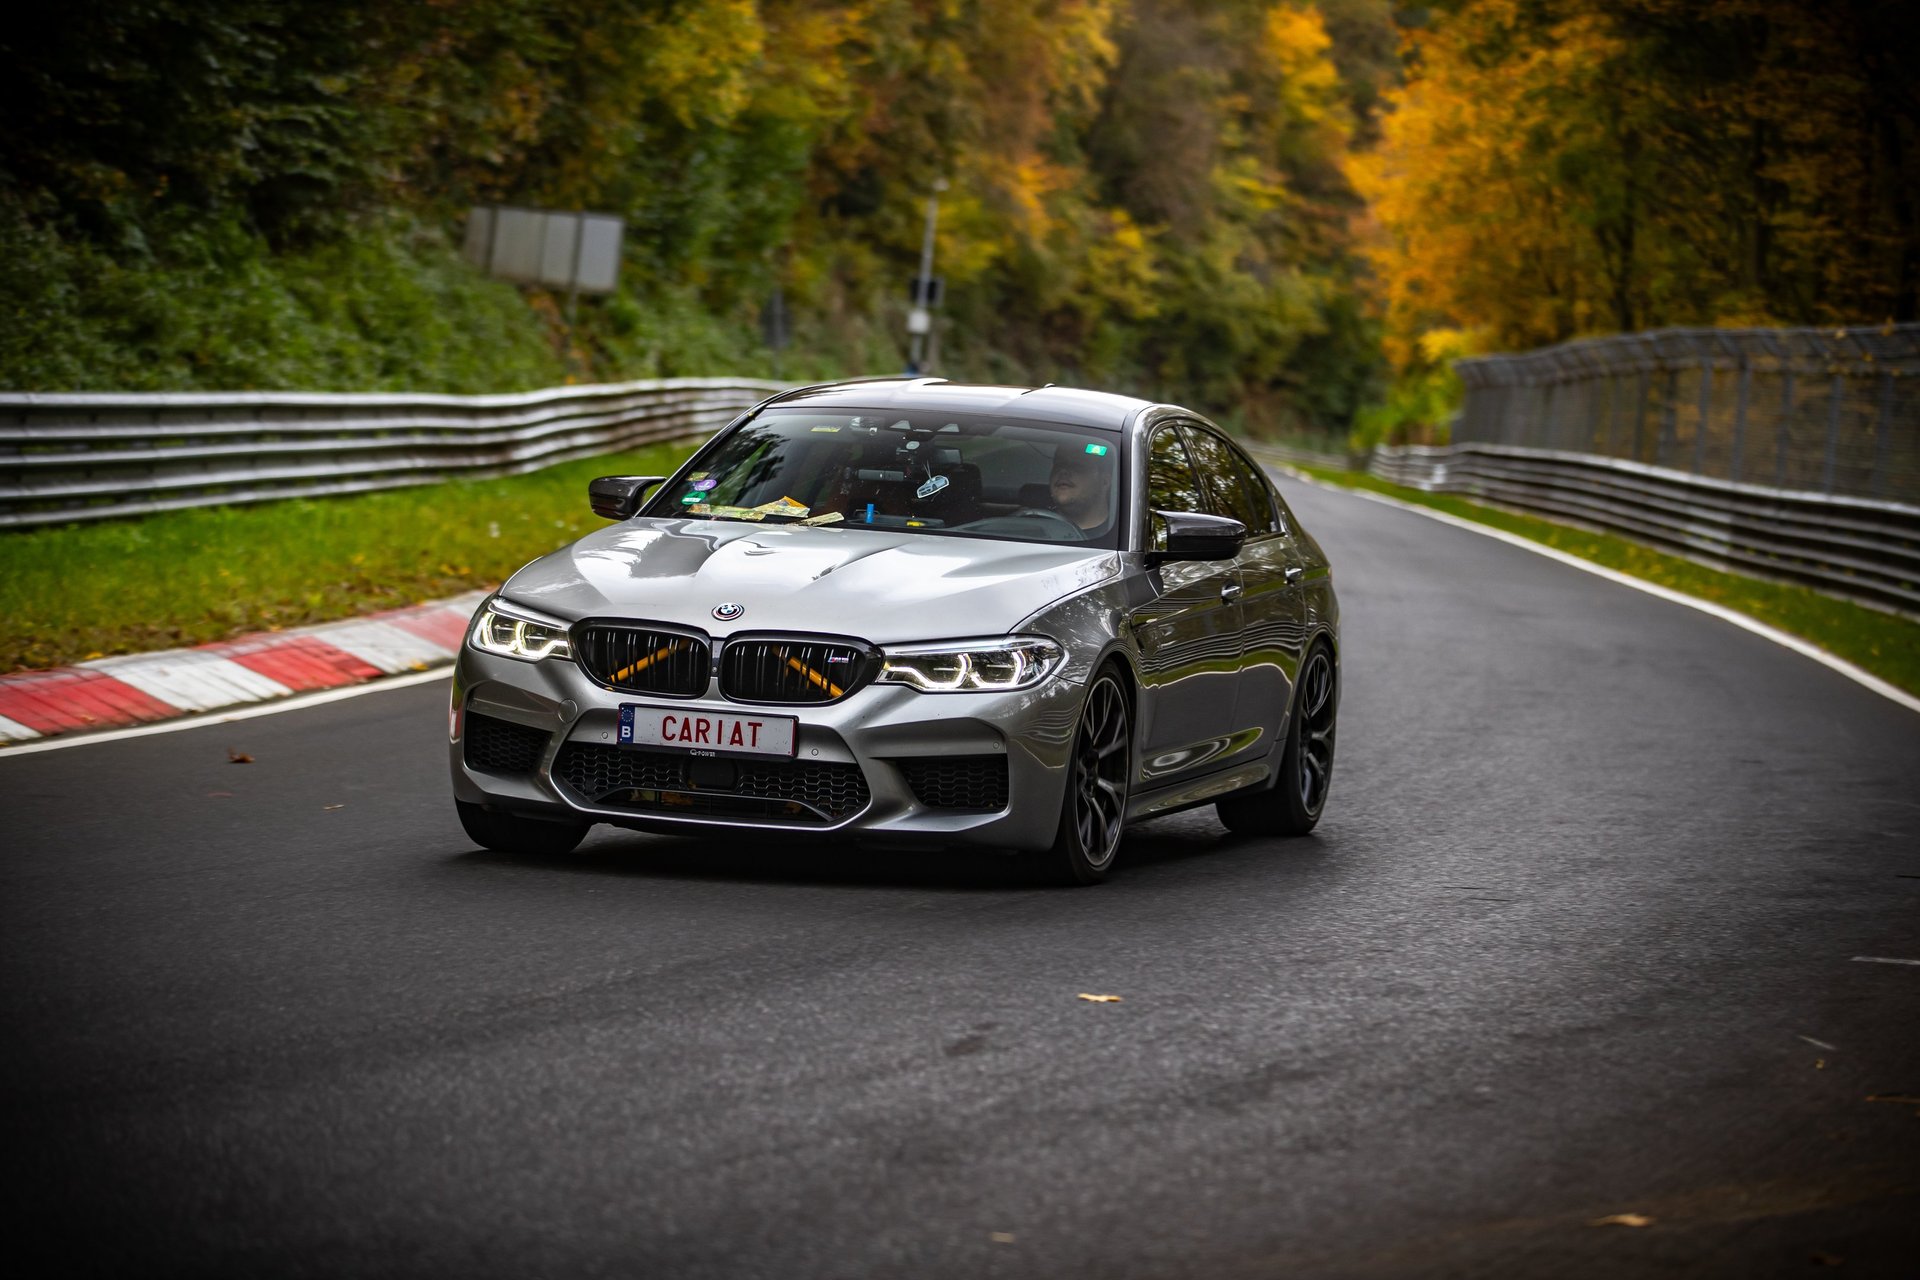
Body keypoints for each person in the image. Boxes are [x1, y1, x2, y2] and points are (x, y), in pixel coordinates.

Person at [1047, 444, 1114, 536]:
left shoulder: (1125, 534)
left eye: (1077, 466)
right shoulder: (1031, 527)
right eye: (1058, 465)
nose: (1063, 471)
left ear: (1104, 482)